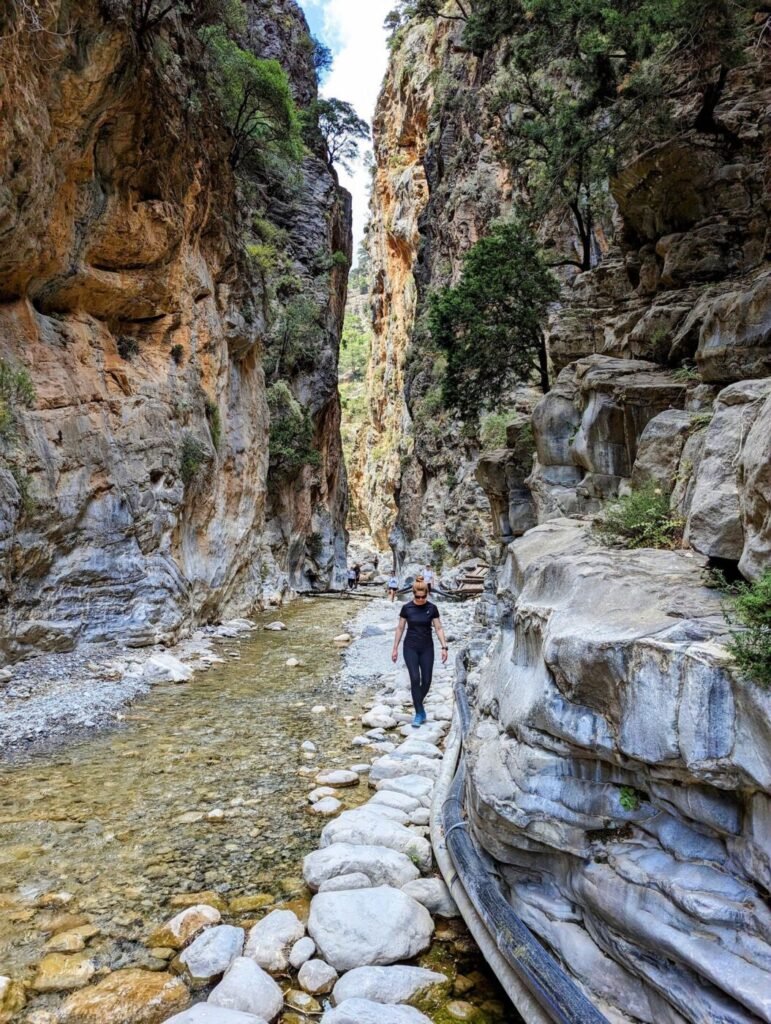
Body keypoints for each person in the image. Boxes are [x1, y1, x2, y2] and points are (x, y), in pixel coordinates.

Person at [391, 581, 448, 727]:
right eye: (418, 597)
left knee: (427, 680)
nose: (421, 600)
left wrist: (444, 647)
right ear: (414, 594)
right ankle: (419, 712)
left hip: (427, 648)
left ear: (427, 595)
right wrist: (395, 648)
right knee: (415, 678)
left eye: (423, 597)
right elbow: (400, 628)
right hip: (410, 647)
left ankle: (418, 703)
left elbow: (439, 628)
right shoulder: (407, 608)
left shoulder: (432, 608)